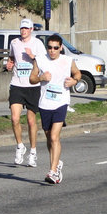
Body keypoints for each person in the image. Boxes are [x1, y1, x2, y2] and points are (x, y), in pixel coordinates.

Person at [29, 34, 81, 184]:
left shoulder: (67, 61)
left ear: (61, 48)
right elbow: (32, 79)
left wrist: (74, 81)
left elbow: (77, 73)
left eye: (55, 48)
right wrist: (41, 78)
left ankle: (53, 172)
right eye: (50, 47)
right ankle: (57, 163)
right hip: (45, 103)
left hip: (61, 102)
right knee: (48, 137)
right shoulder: (40, 59)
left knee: (54, 137)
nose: (52, 51)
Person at [5, 19, 43, 167]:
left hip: (33, 85)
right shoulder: (14, 43)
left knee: (31, 121)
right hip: (17, 85)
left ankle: (33, 152)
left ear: (31, 29)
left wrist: (33, 57)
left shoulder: (37, 44)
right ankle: (20, 146)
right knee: (14, 118)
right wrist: (9, 63)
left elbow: (44, 63)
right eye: (22, 28)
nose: (23, 31)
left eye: (26, 28)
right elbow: (12, 57)